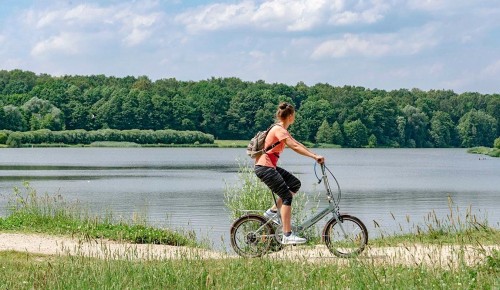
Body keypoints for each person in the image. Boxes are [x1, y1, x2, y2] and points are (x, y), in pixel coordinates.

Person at [254, 102, 325, 245]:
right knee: (286, 196)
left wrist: (314, 154)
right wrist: (313, 157)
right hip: (265, 167)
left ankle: (272, 212)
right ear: (291, 116)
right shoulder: (279, 130)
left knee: (294, 184)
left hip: (268, 167)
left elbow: (297, 143)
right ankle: (287, 234)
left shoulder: (281, 130)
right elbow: (294, 146)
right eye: (294, 115)